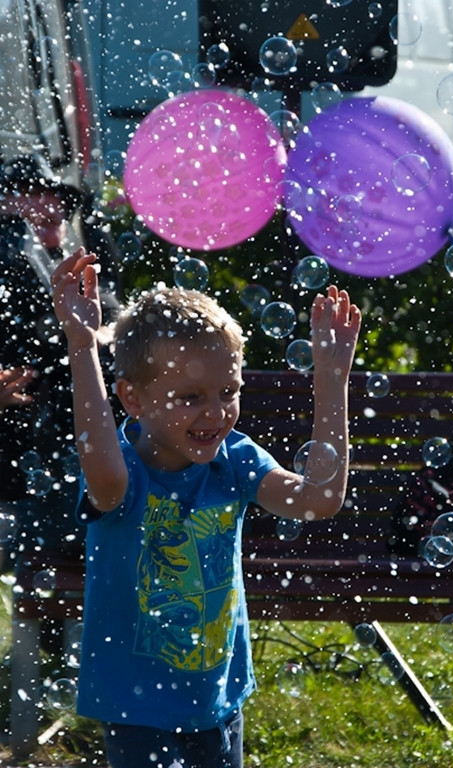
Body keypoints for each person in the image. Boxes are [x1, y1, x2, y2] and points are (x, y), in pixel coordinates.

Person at [51, 247, 361, 768]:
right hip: (136, 708)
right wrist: (82, 344)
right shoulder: (124, 473)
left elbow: (317, 500)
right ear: (133, 399)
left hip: (217, 699)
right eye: (191, 396)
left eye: (227, 391)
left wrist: (331, 380)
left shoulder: (234, 460)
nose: (216, 412)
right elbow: (102, 476)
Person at [0, 153, 117, 556]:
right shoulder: (12, 262)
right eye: (35, 195)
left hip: (62, 451)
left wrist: (99, 336)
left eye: (58, 199)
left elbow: (114, 324)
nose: (53, 208)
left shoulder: (65, 266)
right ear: (6, 204)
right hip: (22, 460)